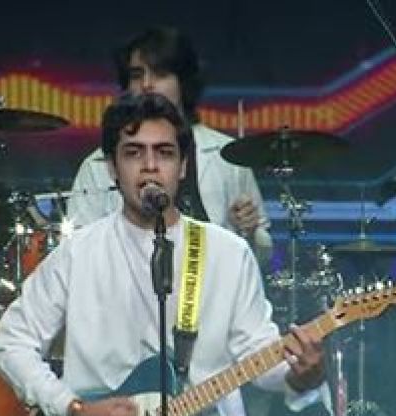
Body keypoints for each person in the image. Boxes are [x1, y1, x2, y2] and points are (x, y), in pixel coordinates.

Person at [0, 93, 326, 416]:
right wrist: (75, 410)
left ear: (182, 166)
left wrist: (300, 374)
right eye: (134, 153)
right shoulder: (78, 254)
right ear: (112, 167)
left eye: (164, 153)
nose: (150, 166)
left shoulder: (227, 253)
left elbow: (258, 352)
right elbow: (10, 344)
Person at [67, 26, 273, 264]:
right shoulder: (97, 166)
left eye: (160, 74)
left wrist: (250, 233)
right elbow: (76, 253)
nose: (146, 84)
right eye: (137, 75)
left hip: (211, 283)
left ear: (182, 82)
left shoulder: (229, 156)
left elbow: (264, 256)